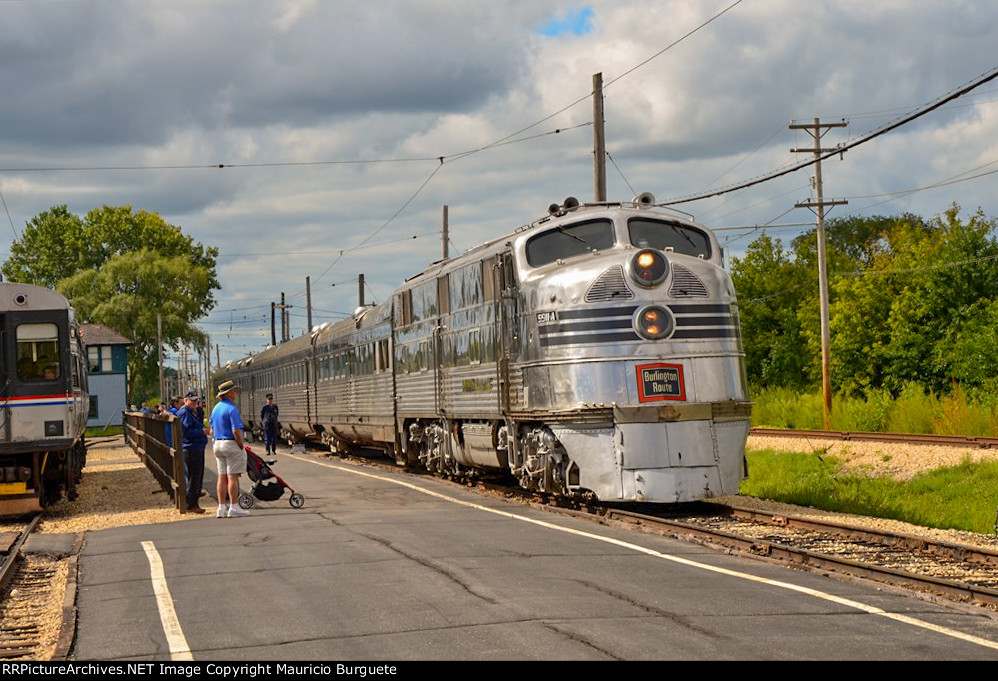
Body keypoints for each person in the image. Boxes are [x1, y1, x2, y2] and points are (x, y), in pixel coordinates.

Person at [210, 380, 250, 518]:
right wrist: (240, 445)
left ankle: (221, 507)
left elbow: (211, 430)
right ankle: (233, 506)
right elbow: (236, 430)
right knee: (233, 477)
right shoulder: (232, 409)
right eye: (234, 391)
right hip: (230, 443)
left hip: (218, 444)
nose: (236, 393)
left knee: (222, 476)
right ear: (228, 393)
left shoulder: (215, 409)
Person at [177, 390, 209, 514]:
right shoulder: (184, 413)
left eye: (196, 400)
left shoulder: (196, 411)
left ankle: (193, 502)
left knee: (197, 476)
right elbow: (186, 433)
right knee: (193, 476)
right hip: (190, 447)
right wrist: (203, 432)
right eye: (192, 401)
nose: (195, 403)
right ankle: (191, 504)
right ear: (185, 401)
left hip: (198, 446)